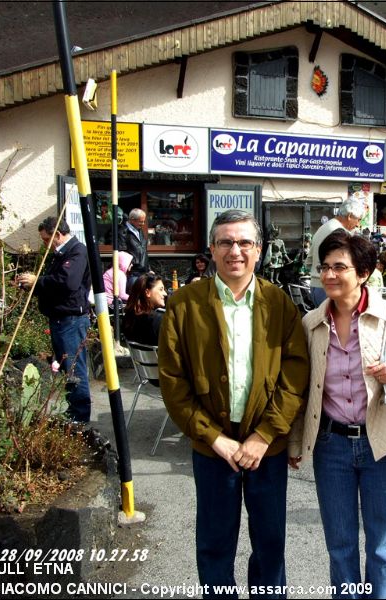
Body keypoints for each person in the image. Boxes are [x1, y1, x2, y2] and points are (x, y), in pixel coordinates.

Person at [158, 209, 310, 596]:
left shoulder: (279, 305)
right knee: (214, 546)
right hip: (214, 450)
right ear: (211, 248)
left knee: (271, 545)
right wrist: (213, 437)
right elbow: (174, 383)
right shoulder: (184, 305)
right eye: (225, 242)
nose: (235, 251)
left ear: (258, 250)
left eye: (244, 242)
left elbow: (295, 376)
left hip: (266, 448)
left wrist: (265, 435)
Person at [288, 229, 386, 599]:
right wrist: (294, 442)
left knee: (381, 547)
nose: (329, 275)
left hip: (382, 444)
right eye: (324, 267)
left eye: (339, 267)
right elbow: (304, 390)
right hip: (331, 445)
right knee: (340, 545)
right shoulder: (311, 323)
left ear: (363, 272)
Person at [17, 216, 92, 423]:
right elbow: (54, 283)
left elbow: (68, 282)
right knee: (67, 370)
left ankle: (80, 418)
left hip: (71, 320)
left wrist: (37, 281)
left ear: (57, 235)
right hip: (61, 319)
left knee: (75, 370)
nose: (45, 244)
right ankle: (73, 412)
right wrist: (33, 285)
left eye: (46, 239)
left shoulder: (77, 251)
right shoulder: (61, 254)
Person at [306, 199, 366, 306]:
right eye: (358, 219)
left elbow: (308, 261)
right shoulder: (340, 233)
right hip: (331, 286)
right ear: (350, 216)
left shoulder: (323, 227)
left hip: (315, 286)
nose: (358, 224)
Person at [122, 274, 167, 346]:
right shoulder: (158, 320)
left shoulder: (128, 319)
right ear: (147, 292)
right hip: (158, 357)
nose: (165, 293)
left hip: (139, 357)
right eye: (161, 289)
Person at [118, 208, 150, 292]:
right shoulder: (123, 232)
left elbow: (144, 251)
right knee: (134, 295)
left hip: (143, 270)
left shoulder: (140, 231)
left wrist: (149, 268)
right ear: (132, 220)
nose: (143, 224)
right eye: (140, 221)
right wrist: (130, 264)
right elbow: (122, 252)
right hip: (133, 272)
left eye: (143, 221)